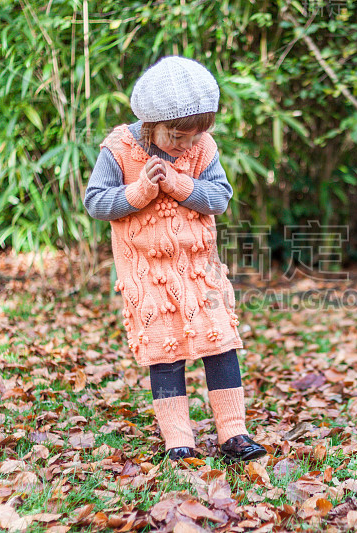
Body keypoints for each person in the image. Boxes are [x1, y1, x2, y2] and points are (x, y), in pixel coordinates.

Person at [82, 56, 266, 463]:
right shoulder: (119, 149)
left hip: (200, 269)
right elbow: (95, 202)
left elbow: (219, 198)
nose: (185, 145)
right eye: (177, 136)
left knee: (221, 343)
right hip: (148, 276)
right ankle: (178, 440)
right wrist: (140, 193)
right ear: (151, 122)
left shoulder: (202, 148)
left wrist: (181, 184)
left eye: (195, 136)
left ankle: (233, 433)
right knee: (165, 352)